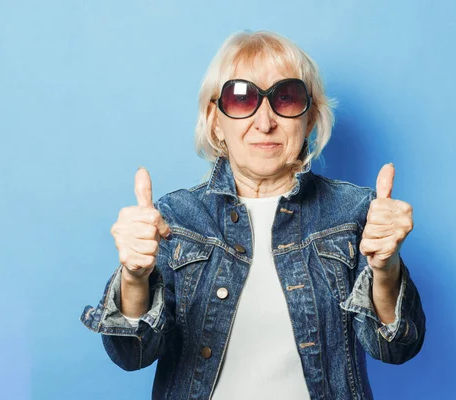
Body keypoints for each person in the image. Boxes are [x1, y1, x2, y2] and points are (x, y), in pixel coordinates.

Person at [81, 30, 426, 400]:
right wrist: (134, 277)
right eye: (241, 98)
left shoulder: (356, 212)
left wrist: (386, 271)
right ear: (216, 120)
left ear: (309, 119)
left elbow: (395, 348)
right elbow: (131, 354)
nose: (265, 122)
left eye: (287, 98)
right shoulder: (174, 219)